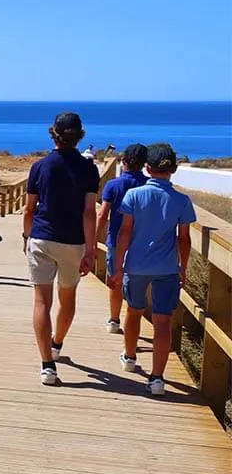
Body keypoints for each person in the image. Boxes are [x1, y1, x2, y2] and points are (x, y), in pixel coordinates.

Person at [23, 112, 100, 386]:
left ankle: (47, 365)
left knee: (41, 301)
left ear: (53, 133)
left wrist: (26, 237)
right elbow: (89, 213)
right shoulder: (89, 169)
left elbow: (30, 209)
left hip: (41, 237)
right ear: (80, 135)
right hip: (73, 242)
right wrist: (90, 251)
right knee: (67, 299)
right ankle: (56, 344)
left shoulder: (40, 167)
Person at [112, 143, 195, 396]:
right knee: (162, 322)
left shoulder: (134, 196)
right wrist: (183, 267)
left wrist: (117, 265)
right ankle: (157, 379)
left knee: (134, 311)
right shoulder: (182, 201)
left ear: (147, 168)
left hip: (136, 265)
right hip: (167, 268)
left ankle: (129, 357)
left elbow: (124, 232)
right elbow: (184, 239)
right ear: (173, 170)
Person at [95, 143, 148, 334]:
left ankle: (114, 320)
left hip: (116, 239)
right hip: (142, 242)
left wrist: (94, 241)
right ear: (144, 164)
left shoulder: (113, 185)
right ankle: (134, 322)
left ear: (123, 161)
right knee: (138, 283)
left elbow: (102, 215)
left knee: (115, 280)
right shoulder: (148, 185)